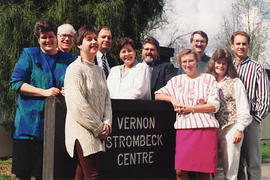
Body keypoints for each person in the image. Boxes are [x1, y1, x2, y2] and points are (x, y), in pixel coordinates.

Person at [10, 20, 75, 180]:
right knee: (23, 174)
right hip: (29, 127)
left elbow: (76, 82)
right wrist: (43, 92)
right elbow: (16, 83)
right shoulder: (29, 55)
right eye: (43, 37)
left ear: (56, 38)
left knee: (47, 174)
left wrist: (70, 89)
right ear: (38, 39)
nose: (48, 40)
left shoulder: (69, 59)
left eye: (51, 36)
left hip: (56, 129)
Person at [155, 49, 220, 180]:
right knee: (180, 171)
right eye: (184, 62)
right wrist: (173, 100)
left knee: (204, 172)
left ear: (197, 62)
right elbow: (158, 94)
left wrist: (191, 108)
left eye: (191, 60)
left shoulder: (208, 79)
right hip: (184, 128)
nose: (187, 64)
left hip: (205, 129)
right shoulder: (176, 80)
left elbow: (214, 106)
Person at [64, 26, 112, 179]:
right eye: (88, 39)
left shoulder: (99, 71)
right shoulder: (74, 69)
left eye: (94, 38)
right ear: (79, 44)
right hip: (82, 130)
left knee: (82, 172)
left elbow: (106, 101)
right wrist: (99, 128)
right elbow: (77, 105)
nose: (93, 42)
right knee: (93, 175)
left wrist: (108, 124)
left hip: (98, 131)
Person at [206, 48, 252, 180]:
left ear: (228, 65)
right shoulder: (208, 81)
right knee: (208, 166)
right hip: (211, 127)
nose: (220, 66)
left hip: (231, 127)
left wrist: (240, 129)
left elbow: (243, 107)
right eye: (218, 62)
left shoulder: (236, 82)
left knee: (231, 168)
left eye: (224, 63)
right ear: (213, 63)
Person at [230, 31, 269, 180]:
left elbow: (264, 98)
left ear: (248, 46)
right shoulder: (227, 67)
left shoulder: (257, 67)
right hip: (233, 121)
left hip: (251, 119)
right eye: (238, 44)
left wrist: (256, 120)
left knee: (253, 162)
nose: (241, 47)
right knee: (236, 163)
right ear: (232, 46)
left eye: (244, 44)